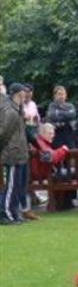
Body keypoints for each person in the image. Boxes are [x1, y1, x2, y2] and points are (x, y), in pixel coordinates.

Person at [0, 84, 30, 224]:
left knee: (16, 186)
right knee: (11, 187)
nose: (26, 96)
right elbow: (3, 133)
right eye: (24, 93)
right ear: (18, 94)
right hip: (12, 154)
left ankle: (14, 212)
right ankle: (5, 214)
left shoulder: (18, 109)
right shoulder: (11, 111)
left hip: (19, 153)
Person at [31, 122, 76, 210]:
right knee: (70, 174)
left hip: (43, 173)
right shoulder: (40, 143)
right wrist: (64, 149)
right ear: (42, 133)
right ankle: (62, 204)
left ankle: (63, 203)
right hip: (42, 175)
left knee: (69, 173)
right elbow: (51, 157)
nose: (53, 136)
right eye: (50, 134)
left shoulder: (41, 142)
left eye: (53, 133)